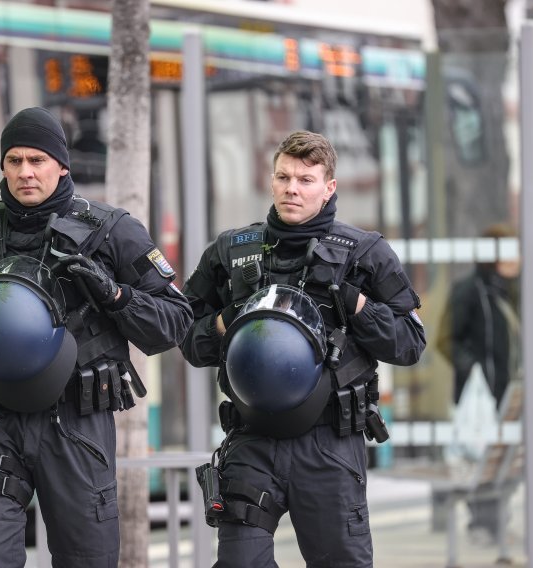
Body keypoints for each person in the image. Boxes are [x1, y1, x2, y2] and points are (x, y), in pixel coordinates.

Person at [0, 106, 193, 567]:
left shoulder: (111, 230)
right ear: (3, 166)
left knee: (87, 559)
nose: (25, 172)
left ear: (61, 165)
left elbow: (175, 321)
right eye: (15, 161)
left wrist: (117, 296)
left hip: (76, 423)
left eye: (37, 160)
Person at [180, 130, 425, 567]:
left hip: (329, 444)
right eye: (283, 177)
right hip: (252, 437)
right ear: (271, 180)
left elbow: (410, 343)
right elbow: (186, 337)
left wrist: (358, 305)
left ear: (329, 187)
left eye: (306, 180)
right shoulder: (231, 252)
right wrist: (227, 319)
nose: (292, 188)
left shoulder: (365, 253)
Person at [436, 222, 521, 542]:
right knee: (480, 458)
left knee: (505, 461)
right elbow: (446, 339)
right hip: (480, 394)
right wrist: (473, 368)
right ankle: (481, 524)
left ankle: (496, 521)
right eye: (512, 251)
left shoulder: (511, 291)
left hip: (506, 392)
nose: (519, 257)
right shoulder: (470, 290)